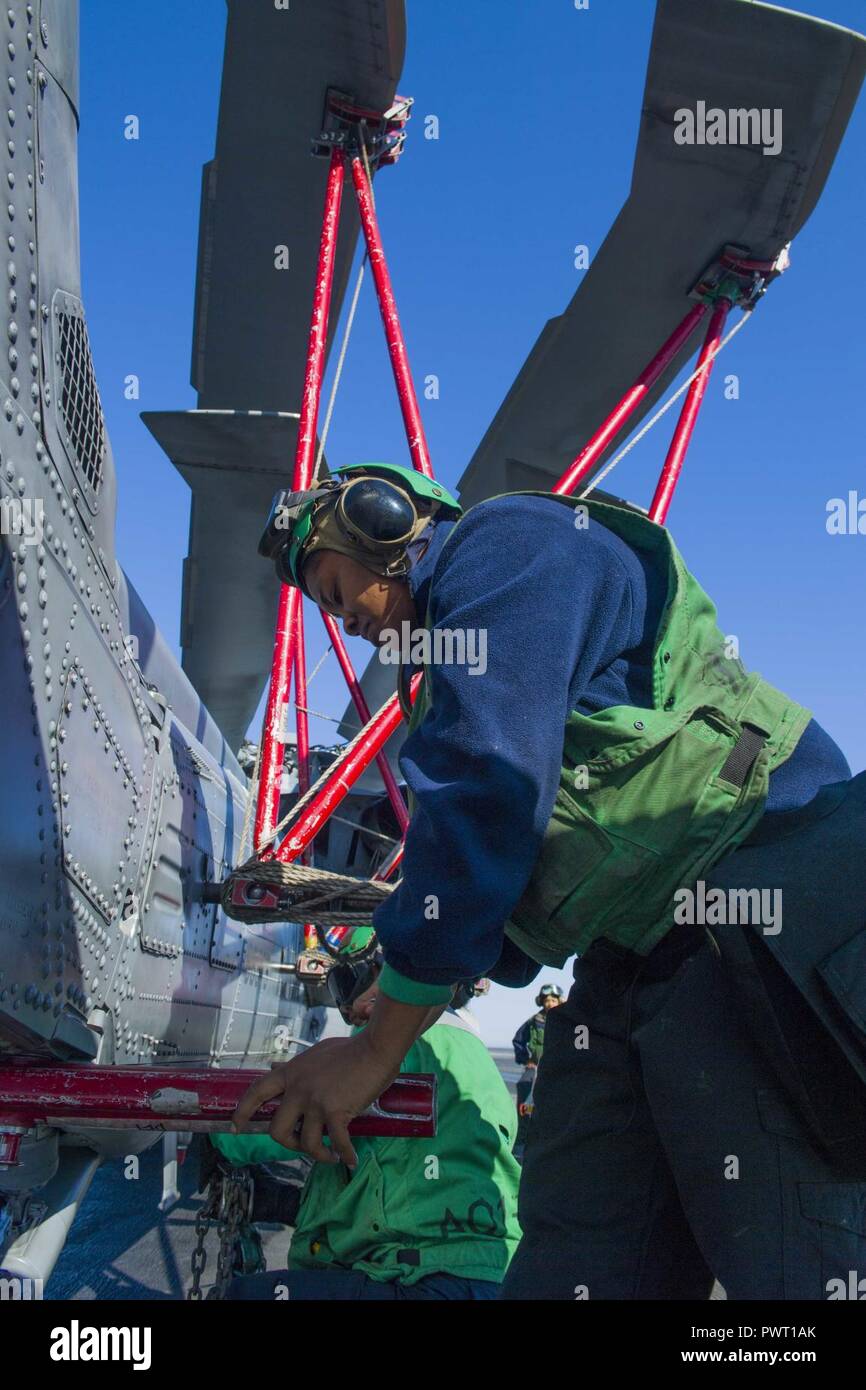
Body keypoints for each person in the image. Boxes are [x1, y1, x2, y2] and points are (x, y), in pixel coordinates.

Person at [243, 461, 866, 1301]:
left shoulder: (509, 547)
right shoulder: (451, 672)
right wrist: (383, 991)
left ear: (381, 520)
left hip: (759, 901)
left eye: (332, 584)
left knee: (795, 1262)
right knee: (578, 1252)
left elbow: (486, 791)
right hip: (638, 953)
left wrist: (380, 1049)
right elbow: (502, 881)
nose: (342, 618)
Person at [214, 933, 521, 1300]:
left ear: (389, 971)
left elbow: (280, 1123)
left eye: (349, 982)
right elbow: (399, 1178)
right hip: (495, 1277)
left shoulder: (387, 1051)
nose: (349, 1009)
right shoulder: (474, 1056)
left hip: (419, 1279)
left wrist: (220, 1137)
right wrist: (283, 1202)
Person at [512, 985, 563, 1155]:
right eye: (547, 1000)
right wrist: (526, 1060)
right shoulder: (535, 1021)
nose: (549, 1003)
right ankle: (521, 1142)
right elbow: (519, 1040)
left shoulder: (568, 1019)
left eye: (553, 1000)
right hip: (535, 1067)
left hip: (559, 1067)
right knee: (524, 1089)